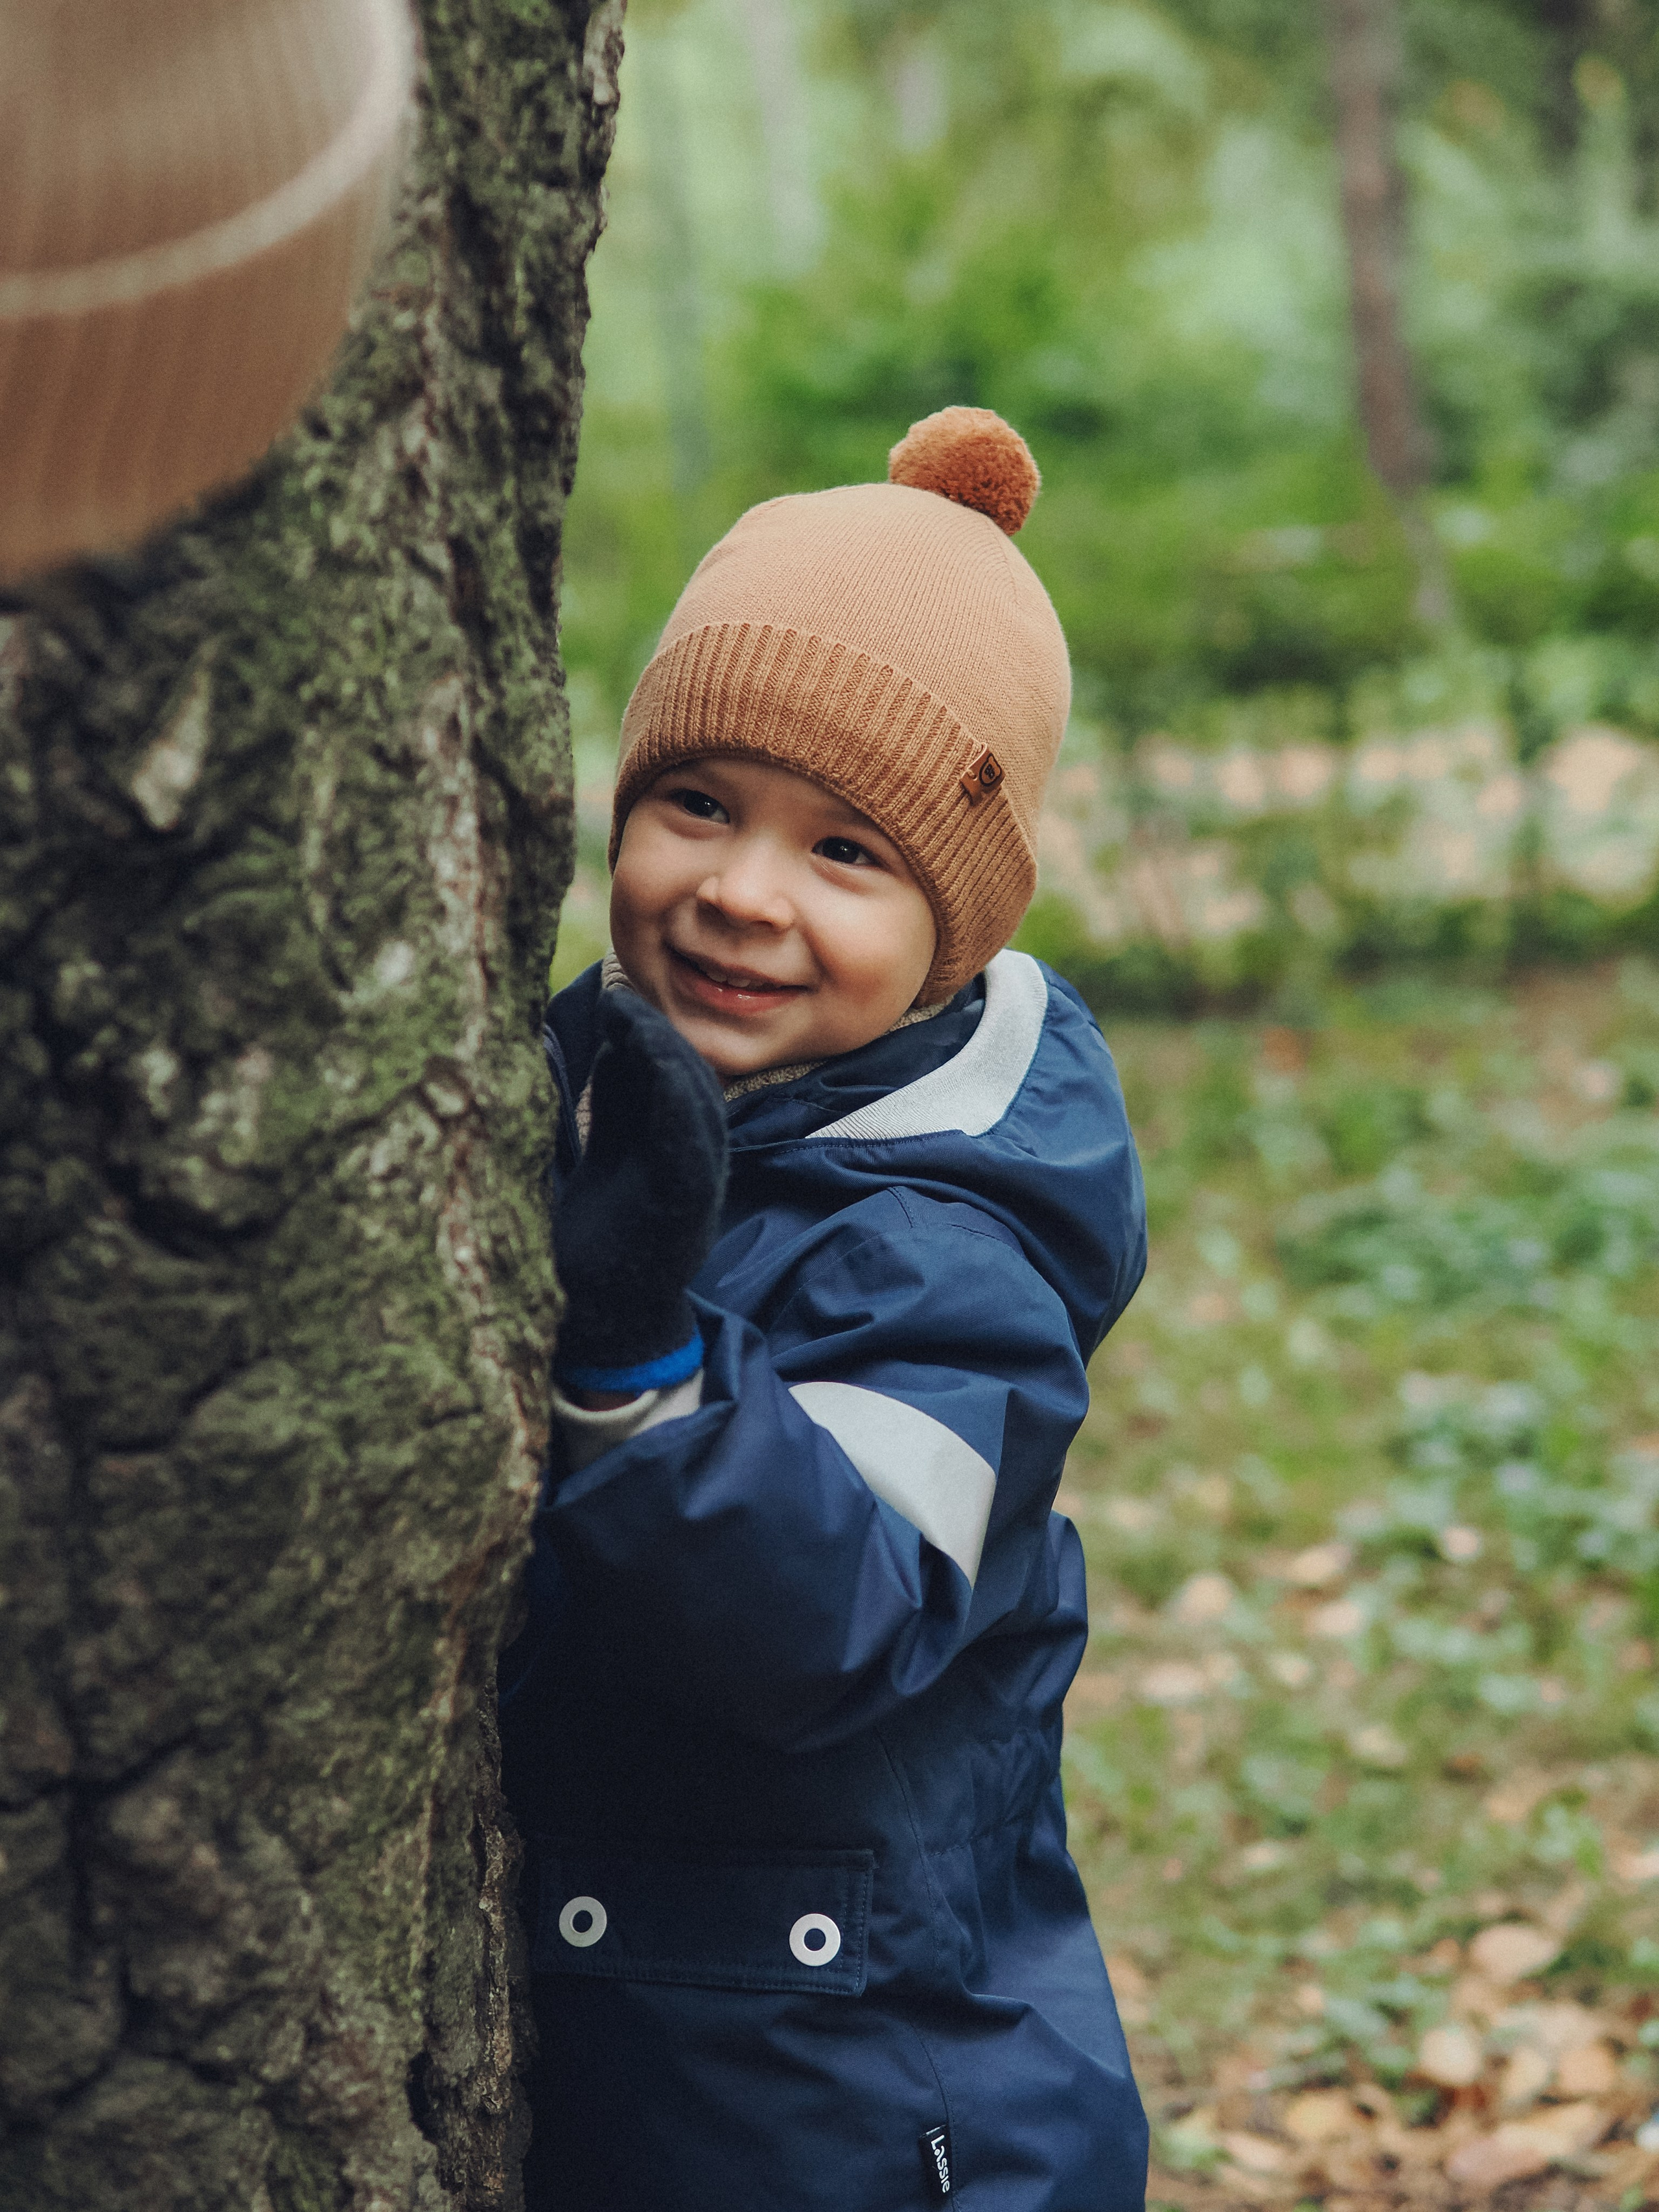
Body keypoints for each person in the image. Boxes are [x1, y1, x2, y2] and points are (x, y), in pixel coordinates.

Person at [500, 406, 1150, 2212]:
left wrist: (640, 1361)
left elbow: (824, 1620)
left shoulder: (955, 1253)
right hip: (664, 2063)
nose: (739, 893)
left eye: (845, 855)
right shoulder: (603, 1100)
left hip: (864, 2118)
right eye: (694, 804)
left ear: (954, 927)